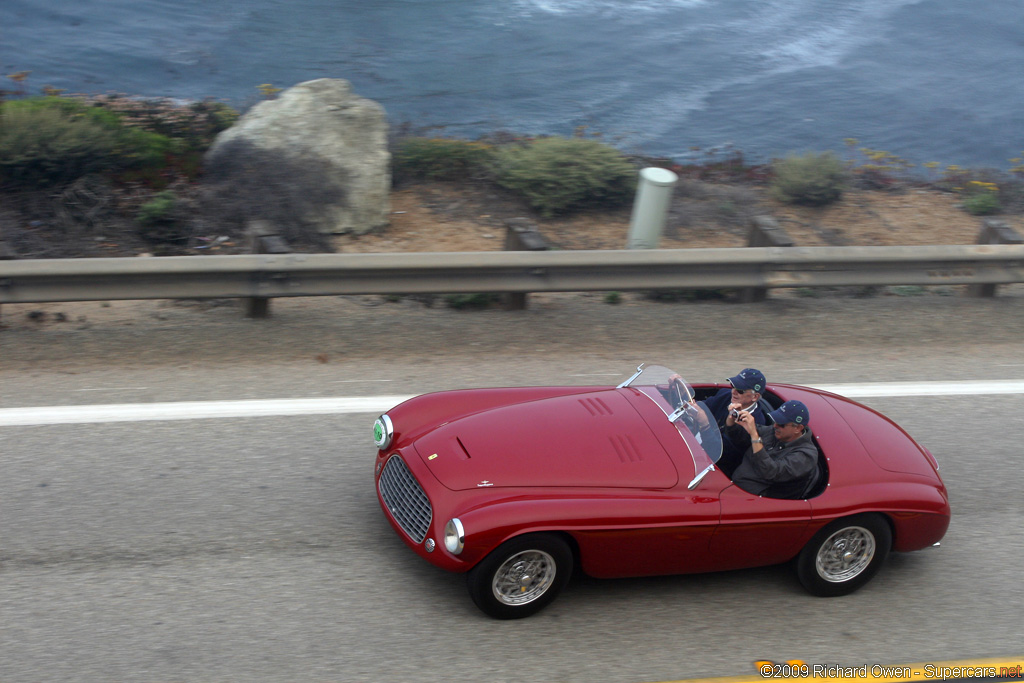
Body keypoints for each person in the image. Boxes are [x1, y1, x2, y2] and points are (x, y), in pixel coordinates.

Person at [726, 399, 819, 499]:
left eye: (781, 424)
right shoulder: (774, 431)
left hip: (756, 499)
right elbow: (739, 436)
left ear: (798, 428)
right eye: (776, 421)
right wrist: (733, 418)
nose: (775, 425)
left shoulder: (806, 455)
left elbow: (771, 472)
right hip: (734, 485)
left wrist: (755, 436)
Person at [703, 368, 768, 475]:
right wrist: (682, 395)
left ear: (754, 397)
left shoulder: (755, 424)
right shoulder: (726, 395)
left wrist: (704, 425)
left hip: (717, 467)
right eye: (733, 386)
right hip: (696, 444)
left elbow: (722, 454)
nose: (733, 391)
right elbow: (701, 407)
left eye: (740, 390)